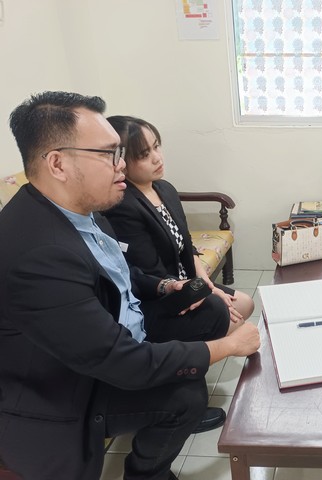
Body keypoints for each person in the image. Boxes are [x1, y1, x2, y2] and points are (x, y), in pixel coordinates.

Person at [0, 91, 260, 480]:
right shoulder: (39, 255)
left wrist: (164, 287)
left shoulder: (83, 210)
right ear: (58, 164)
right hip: (61, 391)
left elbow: (120, 272)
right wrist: (228, 346)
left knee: (202, 331)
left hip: (109, 341)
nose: (121, 165)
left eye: (120, 153)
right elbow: (122, 362)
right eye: (109, 154)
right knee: (185, 394)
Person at [102, 115, 254, 344]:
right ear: (121, 162)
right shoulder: (123, 206)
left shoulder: (165, 189)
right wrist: (202, 291)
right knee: (226, 313)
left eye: (156, 147)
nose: (157, 158)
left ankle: (199, 343)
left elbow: (187, 245)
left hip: (187, 280)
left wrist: (206, 284)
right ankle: (189, 351)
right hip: (160, 293)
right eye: (144, 155)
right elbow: (151, 273)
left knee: (245, 304)